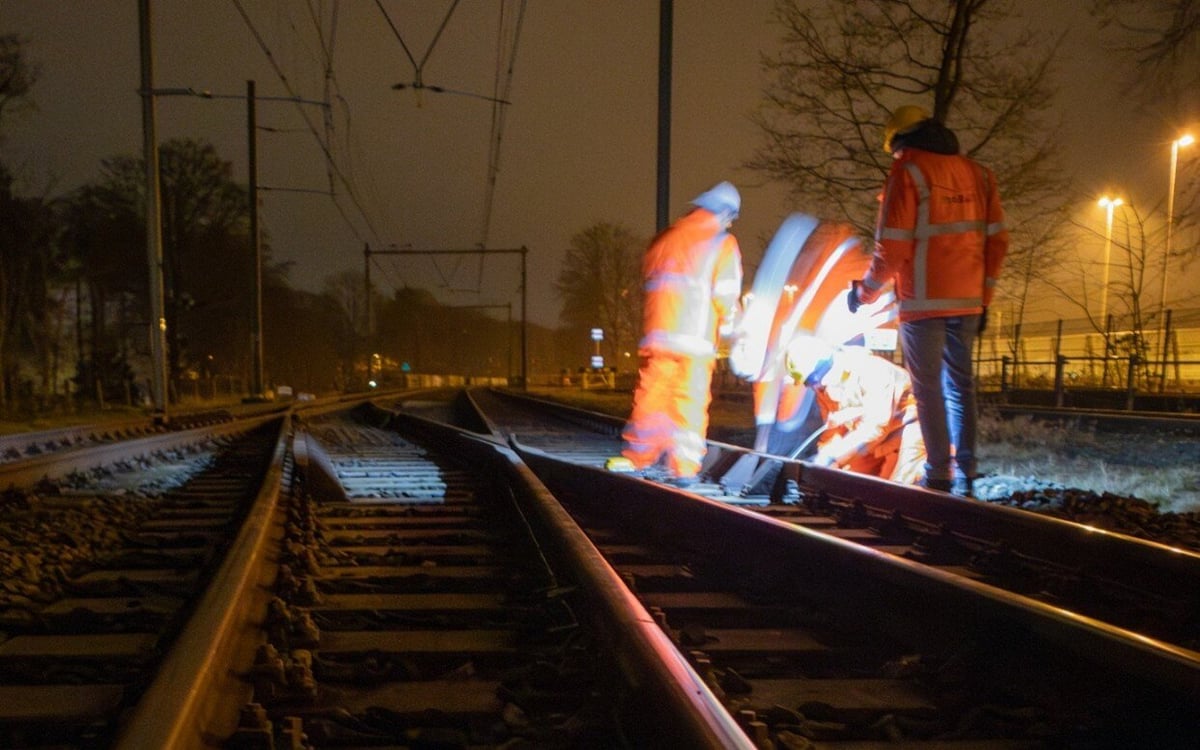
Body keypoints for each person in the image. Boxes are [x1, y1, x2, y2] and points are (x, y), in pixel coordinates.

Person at [847, 105, 1009, 495]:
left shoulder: (908, 171)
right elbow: (998, 241)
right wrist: (983, 297)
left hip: (923, 303)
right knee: (961, 384)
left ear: (900, 142)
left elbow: (893, 248)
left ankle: (938, 472)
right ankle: (967, 468)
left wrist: (864, 292)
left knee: (928, 389)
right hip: (968, 301)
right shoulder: (980, 175)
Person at [617, 181, 744, 487]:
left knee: (652, 398)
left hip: (658, 337)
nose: (730, 223)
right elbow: (725, 293)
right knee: (688, 404)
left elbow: (652, 280)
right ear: (724, 213)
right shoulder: (721, 244)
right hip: (695, 343)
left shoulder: (667, 239)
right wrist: (735, 329)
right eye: (731, 217)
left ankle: (637, 459)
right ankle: (684, 468)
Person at [784, 334, 925, 484]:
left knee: (898, 489)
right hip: (870, 441)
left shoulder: (873, 371)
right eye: (808, 383)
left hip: (908, 430)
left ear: (826, 366)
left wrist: (834, 454)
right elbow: (834, 430)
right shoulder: (824, 388)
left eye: (813, 380)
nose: (814, 387)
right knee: (847, 483)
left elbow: (875, 426)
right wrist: (825, 455)